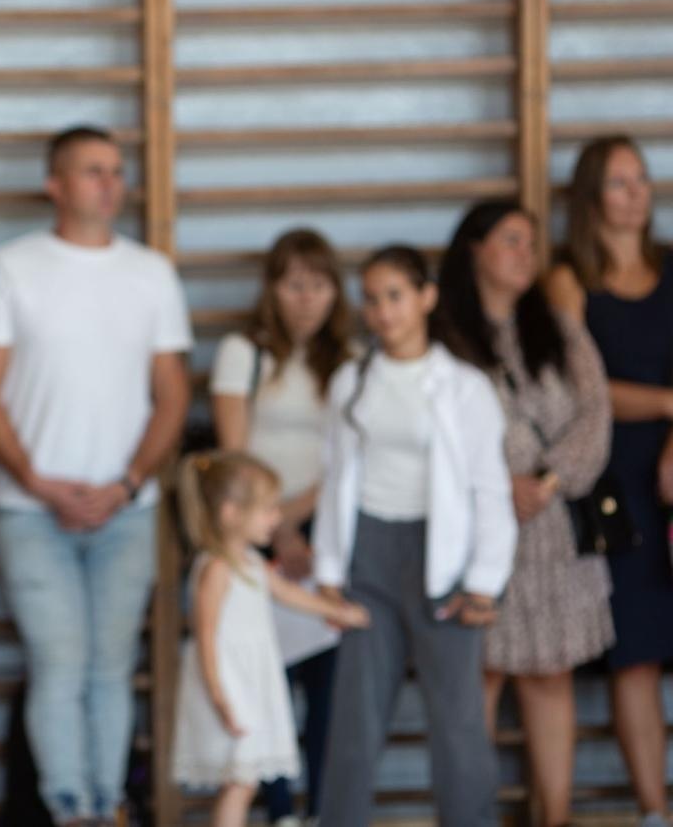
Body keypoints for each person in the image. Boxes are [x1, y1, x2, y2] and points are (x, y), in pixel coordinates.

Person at [0, 125, 191, 825]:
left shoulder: (152, 272)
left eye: (116, 170)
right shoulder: (10, 267)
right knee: (60, 662)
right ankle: (70, 808)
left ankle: (109, 804)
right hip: (31, 511)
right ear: (54, 184)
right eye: (92, 170)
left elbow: (174, 394)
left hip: (129, 508)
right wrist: (37, 480)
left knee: (110, 667)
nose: (109, 182)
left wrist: (126, 483)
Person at [313, 245, 517, 825]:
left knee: (458, 721)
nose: (382, 312)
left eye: (395, 296)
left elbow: (489, 489)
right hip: (368, 560)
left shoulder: (466, 387)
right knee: (355, 720)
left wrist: (485, 582)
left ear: (426, 298)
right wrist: (329, 574)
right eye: (371, 300)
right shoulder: (349, 382)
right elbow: (334, 479)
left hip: (442, 562)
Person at [435, 200, 614, 827]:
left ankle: (555, 816)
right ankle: (470, 814)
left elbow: (596, 412)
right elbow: (430, 432)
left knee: (550, 676)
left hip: (553, 531)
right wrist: (492, 485)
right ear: (475, 248)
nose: (524, 255)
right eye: (510, 240)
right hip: (475, 532)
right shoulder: (443, 335)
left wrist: (549, 478)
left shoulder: (557, 328)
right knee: (476, 679)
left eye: (531, 244)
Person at [547, 136, 673, 827]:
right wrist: (666, 404)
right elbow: (579, 389)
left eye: (643, 179)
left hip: (668, 471)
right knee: (639, 653)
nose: (637, 194)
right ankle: (655, 810)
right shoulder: (568, 280)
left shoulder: (672, 267)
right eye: (621, 183)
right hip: (610, 481)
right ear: (592, 197)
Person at [208, 228, 353, 827]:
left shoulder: (347, 359)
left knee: (328, 683)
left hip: (326, 525)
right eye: (295, 284)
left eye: (319, 285)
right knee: (263, 676)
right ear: (272, 288)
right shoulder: (244, 352)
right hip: (255, 525)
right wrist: (275, 529)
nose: (307, 299)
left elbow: (350, 456)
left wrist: (304, 524)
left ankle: (319, 806)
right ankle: (275, 805)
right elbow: (232, 454)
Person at [171, 451, 368, 827]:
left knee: (244, 780)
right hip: (231, 688)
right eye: (267, 509)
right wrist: (218, 695)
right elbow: (206, 637)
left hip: (254, 684)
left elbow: (290, 595)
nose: (277, 518)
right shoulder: (215, 568)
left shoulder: (252, 563)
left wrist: (340, 612)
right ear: (231, 513)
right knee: (240, 782)